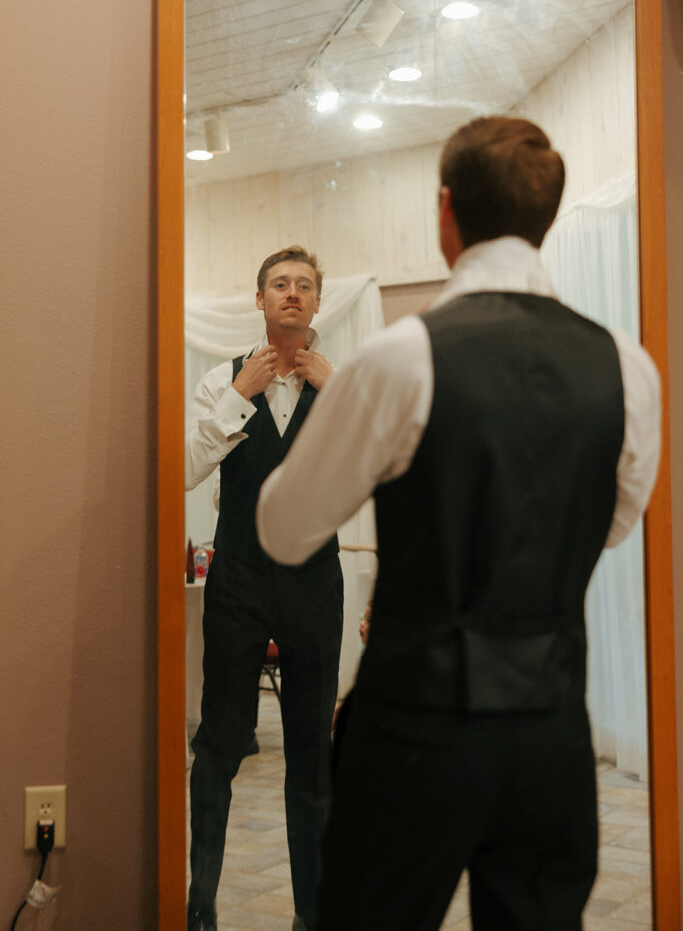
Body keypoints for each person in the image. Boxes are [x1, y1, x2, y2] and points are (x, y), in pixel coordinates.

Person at [256, 117, 661, 931]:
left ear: (446, 213)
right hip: (551, 726)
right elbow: (611, 524)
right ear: (544, 218)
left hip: (414, 726)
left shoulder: (396, 357)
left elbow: (282, 530)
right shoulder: (625, 363)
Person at [185, 246, 344, 931]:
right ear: (259, 300)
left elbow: (374, 476)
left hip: (314, 581)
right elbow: (183, 470)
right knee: (219, 747)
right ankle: (199, 909)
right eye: (278, 284)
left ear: (316, 303)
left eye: (303, 286)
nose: (290, 294)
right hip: (238, 583)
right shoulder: (219, 381)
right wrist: (237, 396)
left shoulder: (345, 383)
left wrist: (337, 397)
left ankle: (313, 918)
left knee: (311, 755)